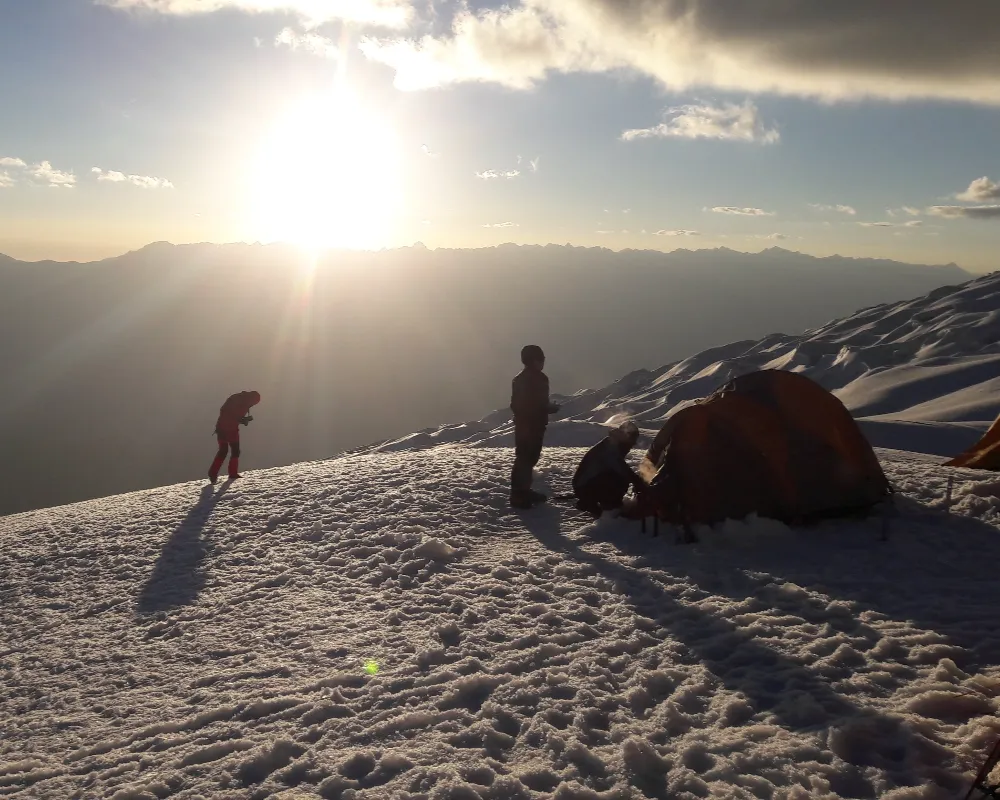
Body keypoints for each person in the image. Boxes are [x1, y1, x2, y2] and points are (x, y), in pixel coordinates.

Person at [510, 345, 560, 508]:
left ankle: (522, 492)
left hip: (524, 425)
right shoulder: (539, 379)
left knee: (524, 458)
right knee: (527, 458)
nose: (543, 362)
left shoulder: (519, 378)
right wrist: (549, 408)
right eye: (541, 359)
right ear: (534, 360)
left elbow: (516, 404)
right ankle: (519, 496)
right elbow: (536, 404)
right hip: (533, 425)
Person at [572, 421, 646, 518]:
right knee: (619, 479)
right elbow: (620, 468)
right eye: (632, 441)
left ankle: (599, 502)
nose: (632, 445)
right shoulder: (611, 447)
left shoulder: (613, 443)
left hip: (586, 483)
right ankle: (602, 505)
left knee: (618, 478)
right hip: (583, 486)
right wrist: (638, 481)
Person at [208, 390, 260, 484]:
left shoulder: (243, 401)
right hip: (223, 428)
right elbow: (225, 412)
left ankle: (230, 473)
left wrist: (242, 420)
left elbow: (232, 414)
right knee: (224, 451)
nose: (253, 405)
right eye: (254, 403)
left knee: (234, 451)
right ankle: (213, 473)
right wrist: (240, 419)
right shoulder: (237, 399)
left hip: (231, 429)